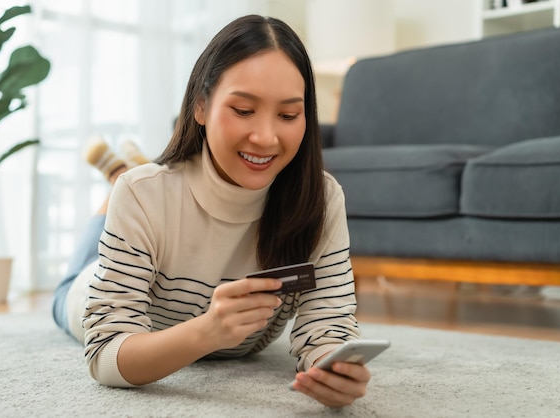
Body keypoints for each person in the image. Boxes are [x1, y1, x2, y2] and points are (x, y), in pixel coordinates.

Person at [52, 14, 370, 408]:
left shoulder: (322, 199)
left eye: (288, 115)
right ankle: (119, 177)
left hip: (153, 204)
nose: (267, 137)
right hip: (86, 290)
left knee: (140, 192)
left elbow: (328, 329)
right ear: (200, 106)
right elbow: (104, 354)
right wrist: (208, 331)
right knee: (87, 256)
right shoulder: (143, 195)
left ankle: (124, 173)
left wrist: (334, 369)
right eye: (243, 110)